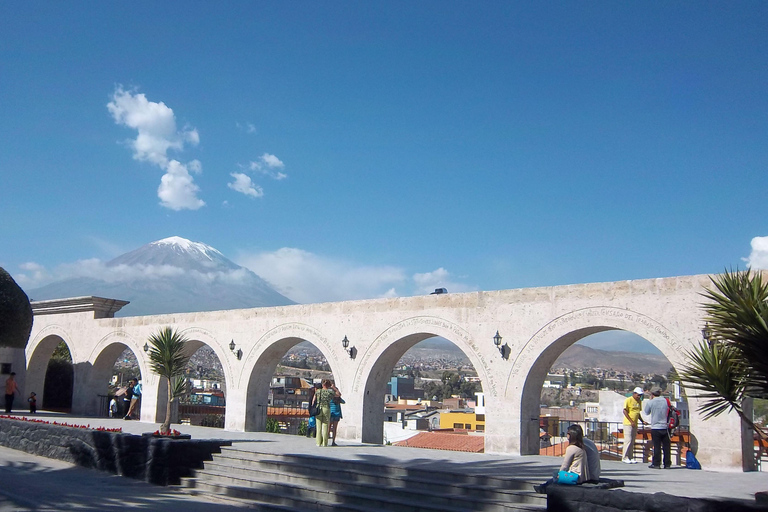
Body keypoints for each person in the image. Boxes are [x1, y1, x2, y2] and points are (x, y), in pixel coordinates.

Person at [534, 424, 588, 493]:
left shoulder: (571, 448)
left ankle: (543, 488)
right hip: (582, 477)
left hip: (575, 477)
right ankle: (543, 487)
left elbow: (565, 465)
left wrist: (560, 475)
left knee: (556, 475)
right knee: (556, 476)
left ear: (570, 435)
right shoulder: (581, 447)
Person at [643, 387, 671, 469]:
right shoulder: (666, 401)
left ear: (652, 394)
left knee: (657, 446)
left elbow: (646, 412)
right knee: (666, 447)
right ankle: (667, 463)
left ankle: (656, 463)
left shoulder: (651, 402)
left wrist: (650, 400)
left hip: (655, 427)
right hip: (665, 426)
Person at [621, 387, 646, 463]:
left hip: (635, 424)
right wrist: (631, 421)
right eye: (638, 395)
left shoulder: (639, 402)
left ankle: (630, 457)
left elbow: (638, 413)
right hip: (628, 423)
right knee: (628, 440)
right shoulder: (628, 400)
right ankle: (624, 457)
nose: (639, 397)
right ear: (634, 393)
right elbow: (625, 411)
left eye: (640, 395)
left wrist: (642, 421)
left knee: (632, 441)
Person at [313, 379, 339, 447]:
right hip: (326, 408)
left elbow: (313, 400)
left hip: (319, 409)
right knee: (325, 426)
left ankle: (318, 443)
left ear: (322, 384)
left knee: (318, 426)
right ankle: (325, 443)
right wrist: (334, 388)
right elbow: (338, 394)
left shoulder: (318, 391)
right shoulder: (330, 392)